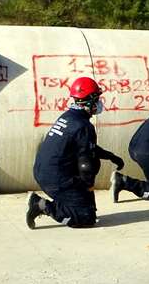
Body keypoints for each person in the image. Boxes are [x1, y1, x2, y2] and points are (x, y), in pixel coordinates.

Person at [26, 77, 125, 229]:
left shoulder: (69, 117)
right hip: (56, 179)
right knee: (85, 218)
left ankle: (72, 204)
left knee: (86, 207)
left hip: (45, 172)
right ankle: (40, 204)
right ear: (90, 101)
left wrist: (110, 156)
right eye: (97, 99)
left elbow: (86, 147)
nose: (99, 103)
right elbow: (86, 165)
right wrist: (88, 189)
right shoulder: (84, 126)